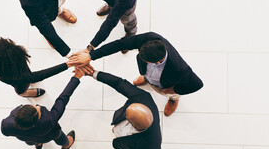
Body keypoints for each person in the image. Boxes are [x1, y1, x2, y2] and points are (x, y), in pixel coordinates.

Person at [69, 32, 204, 116]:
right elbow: (120, 44)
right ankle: (146, 78)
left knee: (173, 93)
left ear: (158, 61)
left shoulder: (179, 69)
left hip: (167, 84)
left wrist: (173, 89)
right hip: (149, 75)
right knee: (146, 76)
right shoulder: (150, 38)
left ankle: (174, 99)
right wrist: (91, 56)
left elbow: (197, 84)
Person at [82, 65, 161, 149]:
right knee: (117, 128)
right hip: (125, 128)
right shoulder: (143, 97)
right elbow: (119, 83)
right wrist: (93, 73)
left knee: (118, 144)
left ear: (133, 125)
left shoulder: (152, 145)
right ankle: (118, 129)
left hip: (131, 145)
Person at [0, 66, 91, 149]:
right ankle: (66, 145)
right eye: (38, 110)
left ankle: (38, 144)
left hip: (26, 138)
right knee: (60, 138)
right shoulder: (49, 120)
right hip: (49, 135)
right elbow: (63, 99)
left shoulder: (6, 125)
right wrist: (77, 77)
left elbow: (5, 132)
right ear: (35, 122)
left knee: (30, 141)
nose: (38, 107)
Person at [0, 37, 73, 97]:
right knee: (22, 89)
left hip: (13, 75)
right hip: (20, 82)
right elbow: (39, 76)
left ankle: (23, 92)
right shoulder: (21, 77)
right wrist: (67, 64)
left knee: (27, 79)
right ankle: (24, 93)